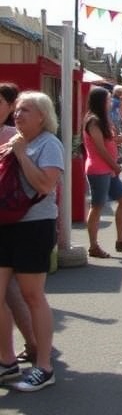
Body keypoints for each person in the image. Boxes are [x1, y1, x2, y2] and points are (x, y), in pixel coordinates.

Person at [0, 91, 64, 391]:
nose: (19, 114)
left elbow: (45, 184)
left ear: (42, 116)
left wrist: (22, 154)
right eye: (18, 110)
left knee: (32, 296)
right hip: (6, 225)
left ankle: (44, 366)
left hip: (34, 226)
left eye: (26, 110)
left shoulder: (49, 144)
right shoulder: (14, 140)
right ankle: (7, 362)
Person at [0, 84, 36, 367]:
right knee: (9, 290)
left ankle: (12, 356)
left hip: (9, 219)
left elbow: (39, 184)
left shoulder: (14, 137)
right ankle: (30, 344)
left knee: (10, 290)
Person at [82, 87, 122, 258]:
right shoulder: (93, 121)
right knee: (97, 206)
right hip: (99, 169)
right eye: (108, 99)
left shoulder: (102, 120)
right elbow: (99, 148)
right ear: (100, 101)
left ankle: (121, 239)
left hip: (108, 169)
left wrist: (121, 135)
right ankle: (93, 246)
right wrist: (115, 166)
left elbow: (107, 140)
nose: (110, 102)